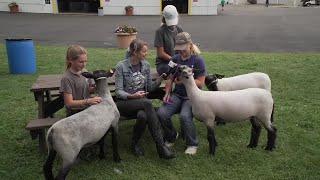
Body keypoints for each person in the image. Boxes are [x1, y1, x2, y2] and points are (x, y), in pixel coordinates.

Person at [115, 39, 175, 159]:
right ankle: (161, 146)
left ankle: (134, 144)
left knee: (143, 116)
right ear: (135, 52)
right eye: (144, 51)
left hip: (142, 104)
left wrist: (160, 79)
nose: (146, 54)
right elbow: (118, 92)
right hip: (124, 104)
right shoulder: (121, 66)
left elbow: (150, 88)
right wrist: (133, 96)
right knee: (147, 103)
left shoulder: (146, 65)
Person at [157, 32, 206, 155]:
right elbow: (169, 78)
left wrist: (185, 80)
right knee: (162, 113)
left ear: (190, 45)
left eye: (183, 49)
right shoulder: (174, 59)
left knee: (185, 116)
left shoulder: (198, 60)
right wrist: (167, 93)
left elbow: (201, 83)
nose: (181, 52)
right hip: (177, 95)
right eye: (179, 49)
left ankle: (192, 144)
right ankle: (172, 136)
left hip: (192, 97)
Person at [60, 45, 102, 117]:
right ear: (71, 60)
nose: (84, 65)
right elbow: (69, 103)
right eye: (81, 62)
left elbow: (87, 89)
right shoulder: (66, 78)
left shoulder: (84, 72)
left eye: (85, 61)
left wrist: (95, 88)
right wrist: (88, 101)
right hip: (74, 113)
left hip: (87, 108)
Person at [154, 5, 183, 76]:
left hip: (178, 61)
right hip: (164, 63)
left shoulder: (179, 29)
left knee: (190, 67)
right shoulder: (160, 31)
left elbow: (183, 47)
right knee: (174, 69)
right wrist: (174, 60)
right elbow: (160, 53)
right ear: (164, 18)